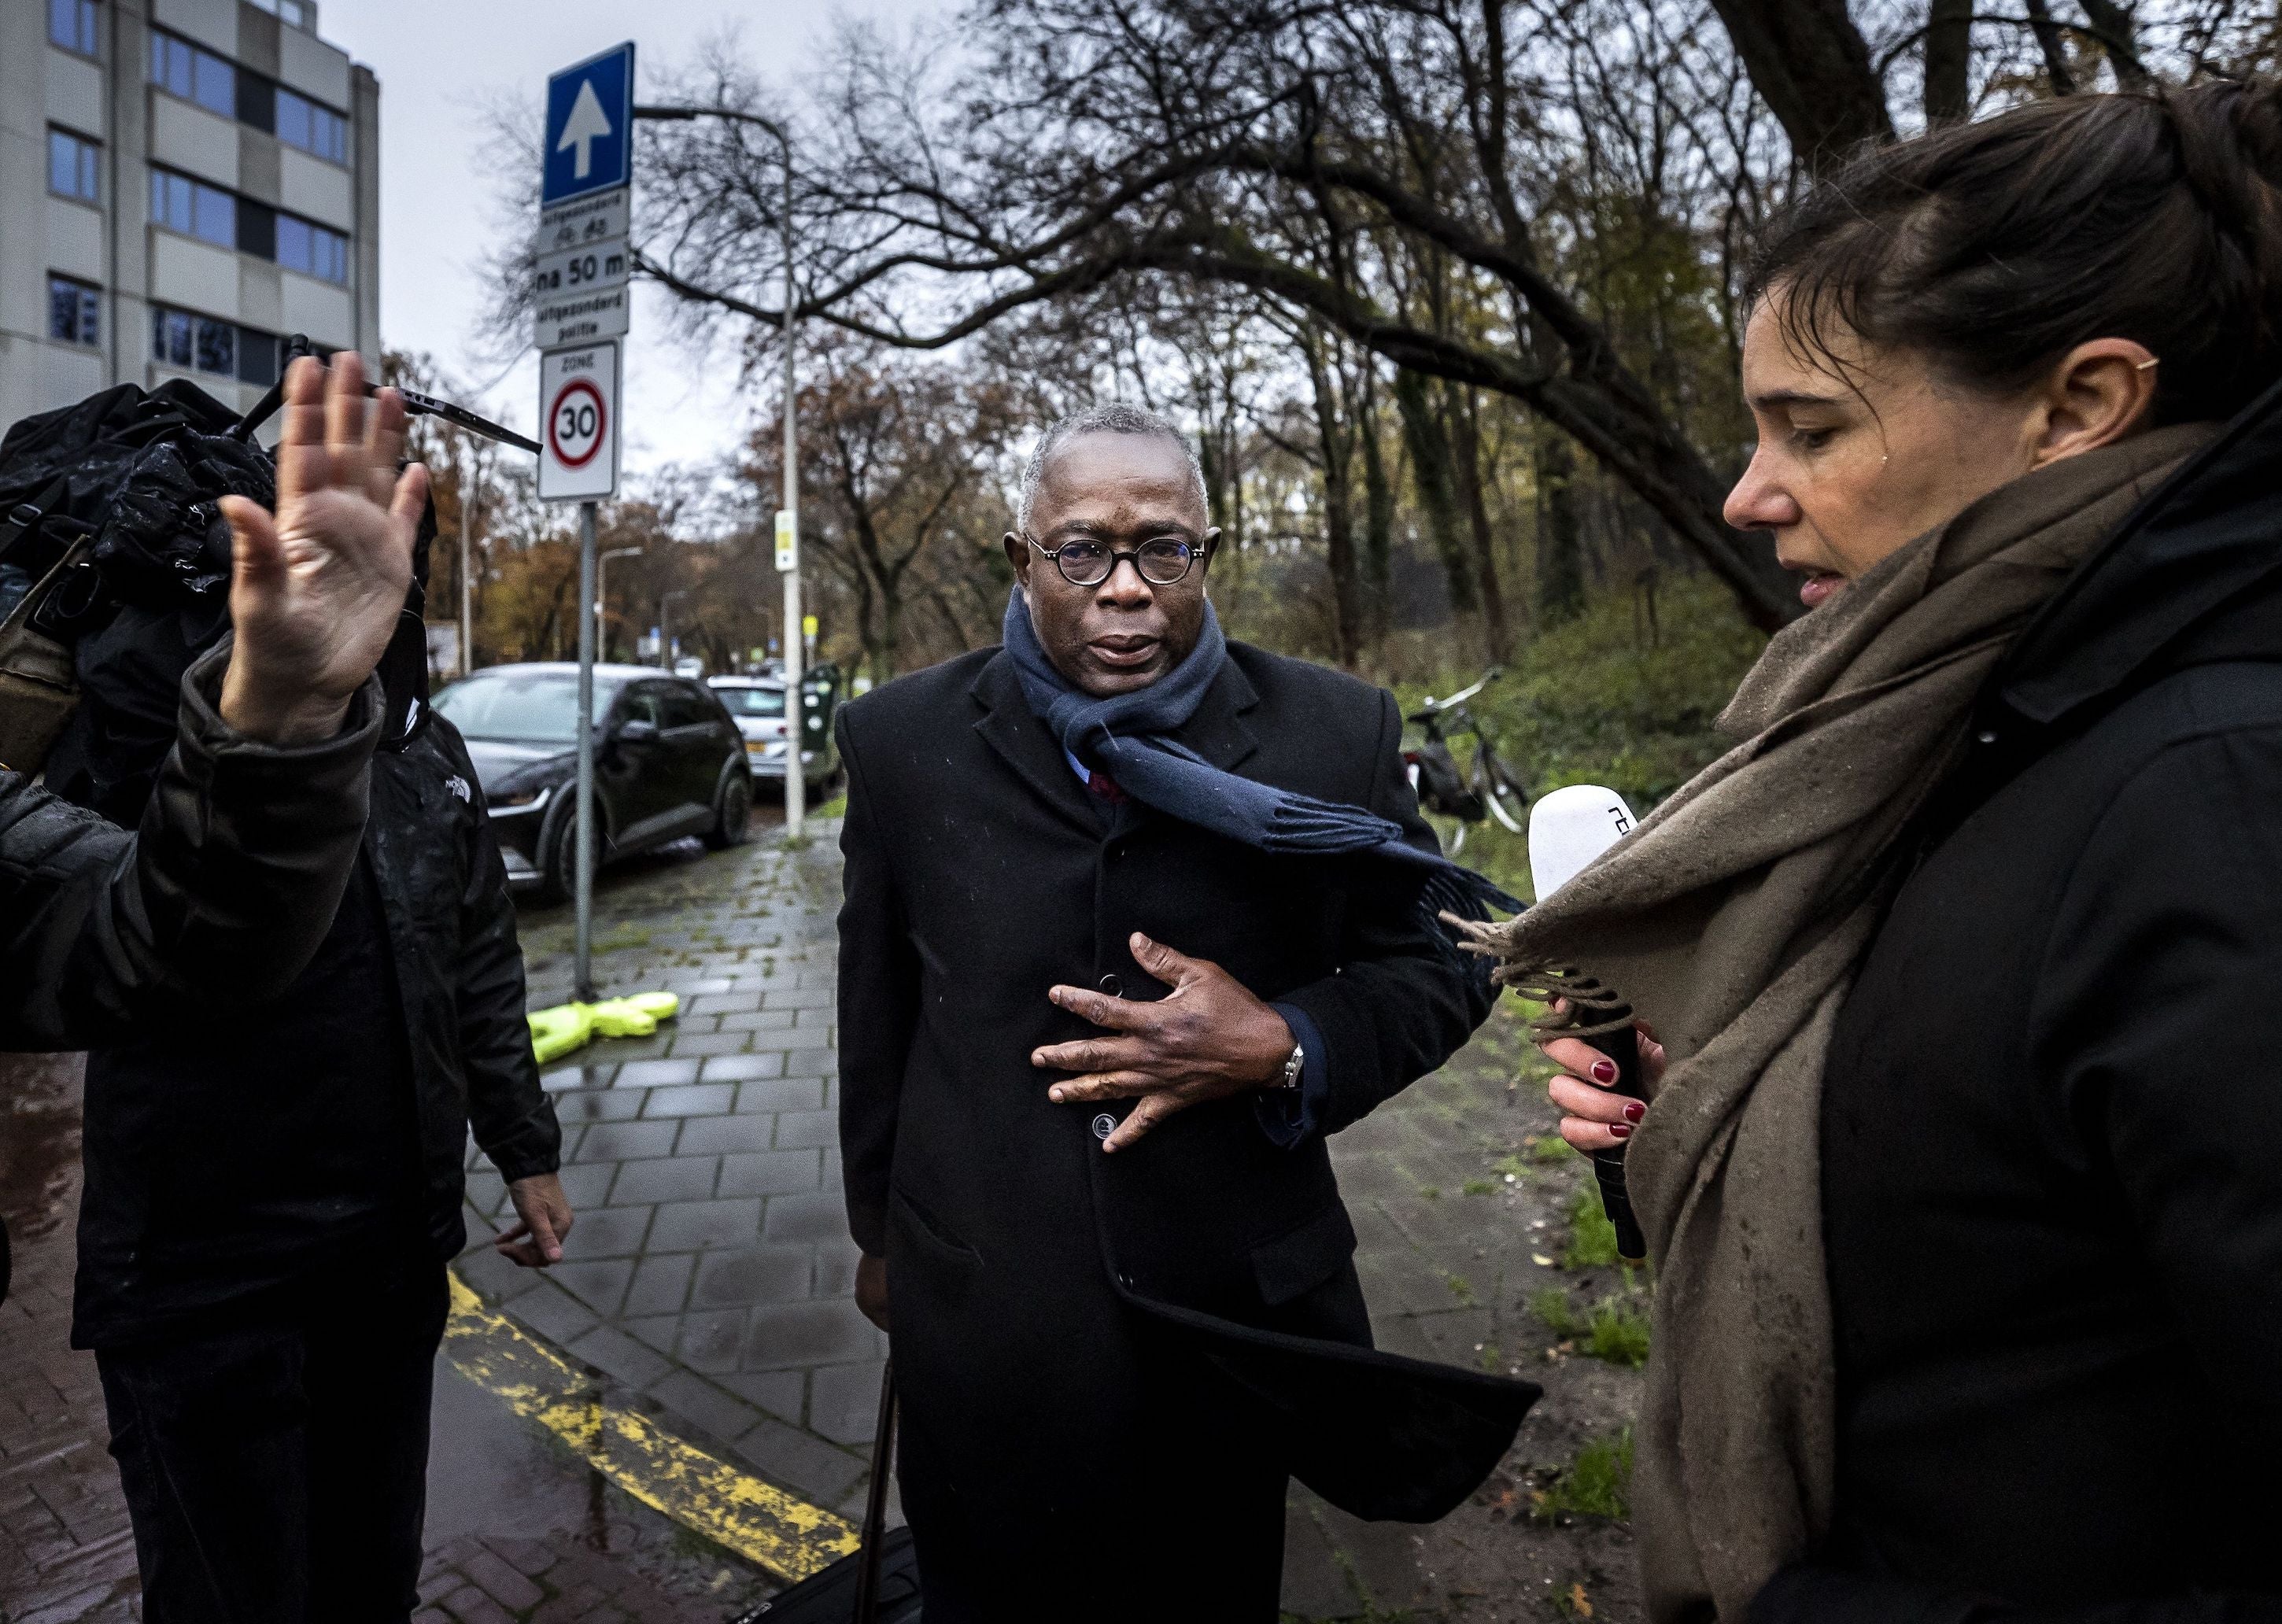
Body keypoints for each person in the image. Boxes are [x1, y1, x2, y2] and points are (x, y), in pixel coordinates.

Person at [1491, 79, 2282, 1622]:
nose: (1747, 493)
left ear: (2076, 407)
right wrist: (1707, 1111)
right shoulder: (1952, 734)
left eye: (1813, 427)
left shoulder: (2217, 800)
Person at [833, 404, 1533, 1620]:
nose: (1125, 589)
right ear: (1023, 559)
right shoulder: (900, 743)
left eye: (1164, 549)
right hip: (987, 1313)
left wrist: (1286, 1043)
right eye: (1082, 552)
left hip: (1225, 1326)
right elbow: (877, 1016)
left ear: (1207, 553)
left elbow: (1454, 956)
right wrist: (882, 1239)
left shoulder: (1334, 733)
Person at [66, 354, 570, 1624]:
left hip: (387, 1262)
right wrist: (255, 687)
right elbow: (111, 919)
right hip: (204, 1282)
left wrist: (525, 1148)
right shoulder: (167, 719)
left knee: (368, 1585)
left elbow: (478, 961)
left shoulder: (430, 753)